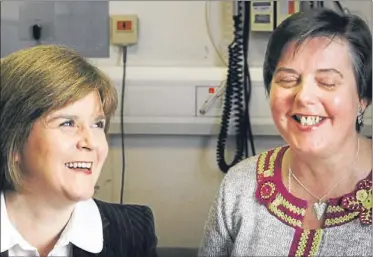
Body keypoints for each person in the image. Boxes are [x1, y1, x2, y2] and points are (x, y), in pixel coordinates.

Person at [199, 7, 372, 257]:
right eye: (288, 80)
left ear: (363, 97)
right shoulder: (239, 187)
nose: (304, 97)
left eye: (327, 83)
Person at [0, 45, 158, 257]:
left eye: (97, 124)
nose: (91, 142)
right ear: (12, 141)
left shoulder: (133, 231)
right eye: (67, 123)